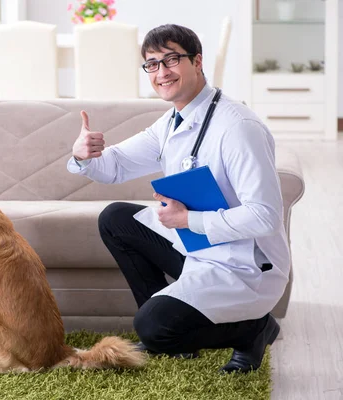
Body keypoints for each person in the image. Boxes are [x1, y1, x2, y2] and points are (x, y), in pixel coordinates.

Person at [67, 24, 289, 373]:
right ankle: (168, 321)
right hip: (202, 249)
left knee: (152, 327)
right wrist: (85, 155)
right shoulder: (172, 121)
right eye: (152, 64)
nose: (161, 72)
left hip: (246, 265)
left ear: (197, 61)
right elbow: (116, 166)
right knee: (115, 218)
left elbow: (265, 217)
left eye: (171, 59)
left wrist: (188, 221)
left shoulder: (238, 127)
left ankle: (255, 329)